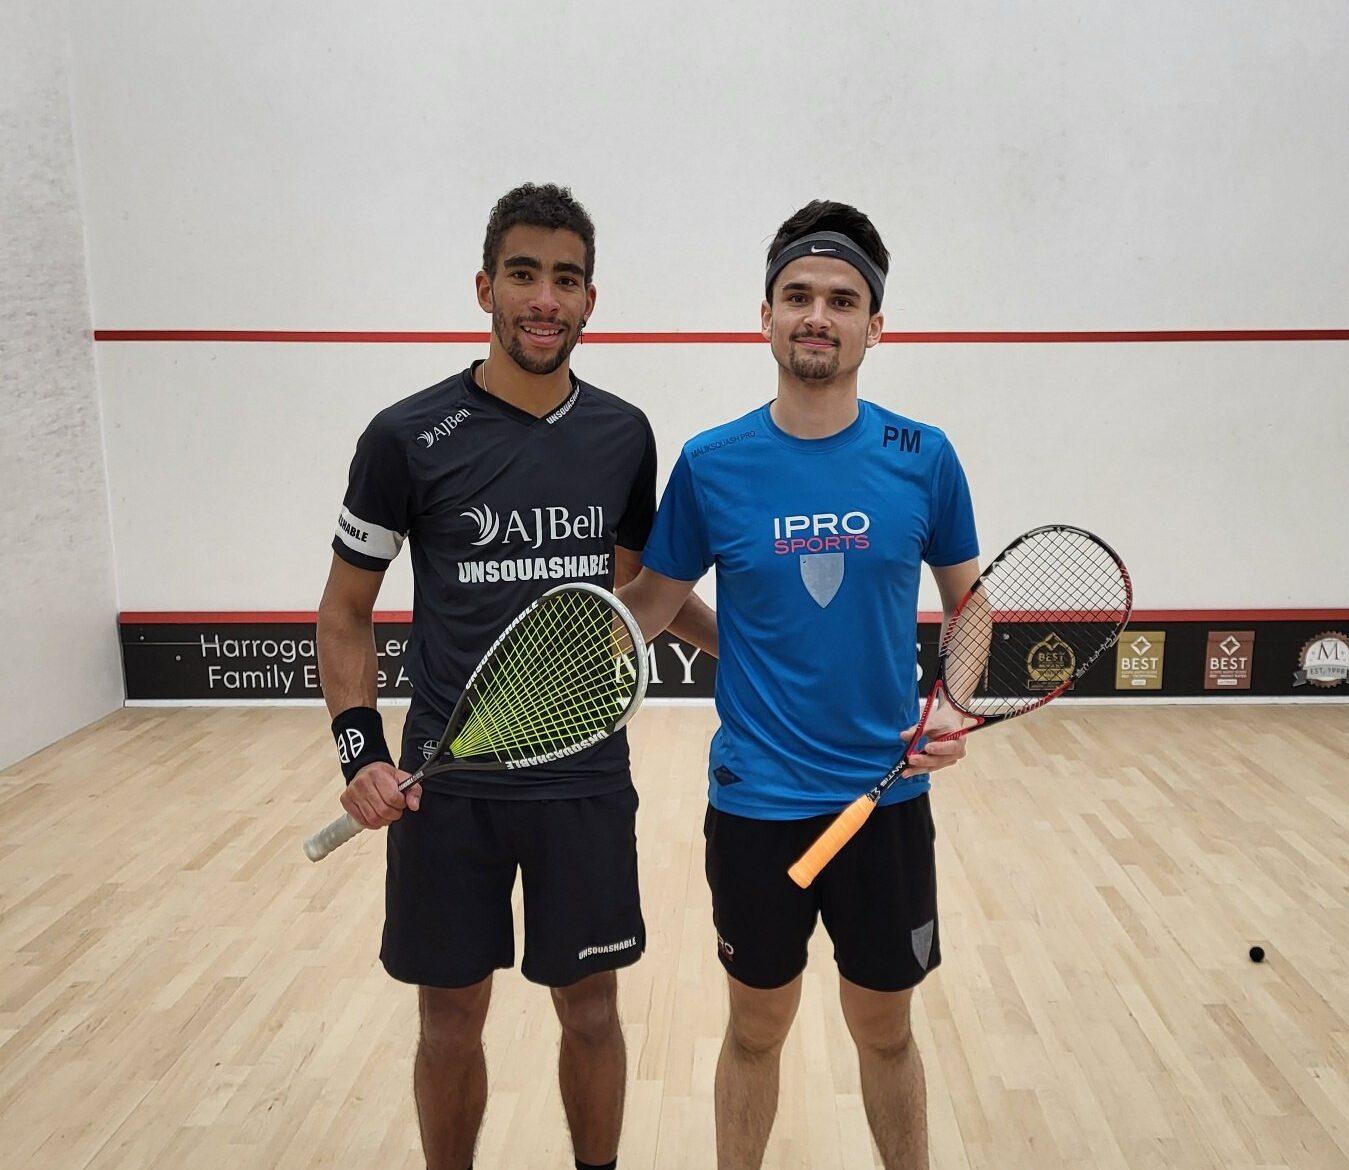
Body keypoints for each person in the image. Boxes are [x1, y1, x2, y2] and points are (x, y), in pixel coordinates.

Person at [315, 182, 715, 1170]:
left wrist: (758, 660)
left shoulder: (623, 435)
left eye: (566, 279)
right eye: (525, 275)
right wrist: (360, 752)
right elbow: (345, 612)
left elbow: (636, 593)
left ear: (590, 301)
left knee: (591, 1012)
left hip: (581, 778)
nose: (545, 297)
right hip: (445, 786)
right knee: (449, 1022)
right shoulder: (403, 439)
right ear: (486, 287)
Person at [618, 200, 981, 1170]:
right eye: (798, 296)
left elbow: (971, 605)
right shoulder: (713, 464)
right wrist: (590, 654)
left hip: (887, 802)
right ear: (766, 316)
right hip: (756, 806)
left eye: (841, 299)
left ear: (875, 323)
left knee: (888, 1033)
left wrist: (951, 704)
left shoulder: (923, 458)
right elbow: (652, 604)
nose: (817, 314)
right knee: (754, 1032)